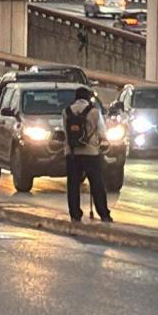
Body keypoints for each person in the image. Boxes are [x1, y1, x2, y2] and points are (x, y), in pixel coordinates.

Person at [63, 86, 113, 223]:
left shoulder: (66, 112)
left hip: (72, 153)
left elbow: (66, 133)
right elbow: (102, 133)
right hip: (91, 153)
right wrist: (103, 144)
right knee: (96, 183)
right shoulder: (95, 112)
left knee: (73, 184)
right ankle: (104, 213)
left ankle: (75, 214)